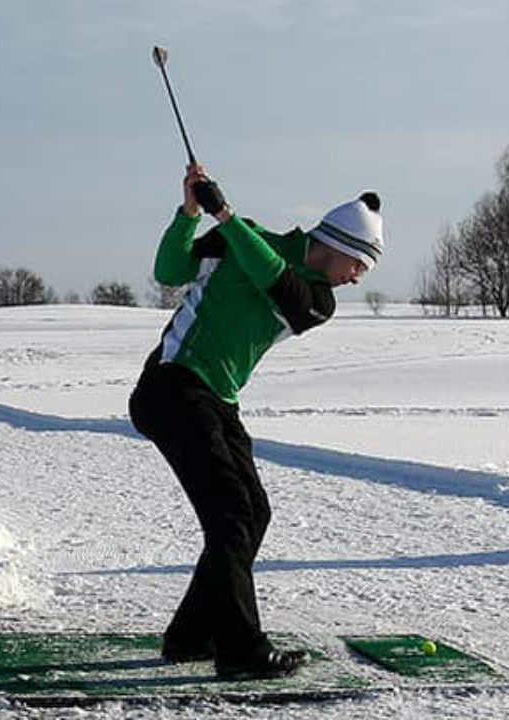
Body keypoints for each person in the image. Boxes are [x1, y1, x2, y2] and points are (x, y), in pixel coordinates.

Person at [128, 164, 384, 679]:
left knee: (253, 513)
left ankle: (190, 635)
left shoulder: (317, 299)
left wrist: (227, 215)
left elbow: (274, 276)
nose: (356, 278)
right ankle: (240, 648)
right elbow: (169, 269)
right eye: (359, 265)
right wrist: (190, 214)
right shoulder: (235, 240)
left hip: (217, 399)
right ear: (334, 246)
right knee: (228, 514)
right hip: (172, 386)